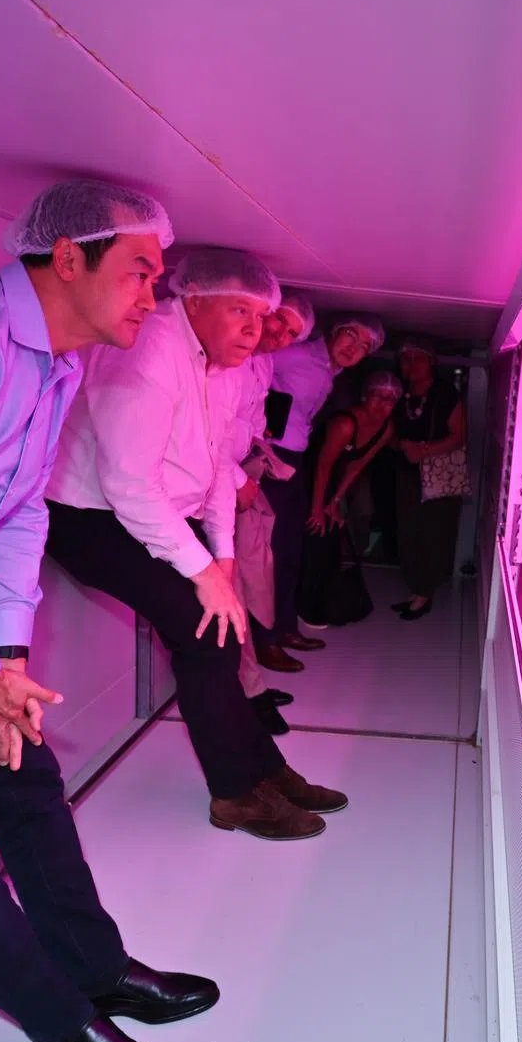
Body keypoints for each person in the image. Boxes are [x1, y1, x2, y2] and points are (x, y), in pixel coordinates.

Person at [0, 179, 217, 1042]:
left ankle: (95, 972)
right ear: (70, 259)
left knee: (25, 779)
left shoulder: (56, 362)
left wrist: (6, 663)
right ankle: (65, 1029)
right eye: (141, 273)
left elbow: (16, 516)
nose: (154, 296)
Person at [45, 247, 347, 841]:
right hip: (89, 516)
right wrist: (202, 572)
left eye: (261, 317)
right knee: (205, 634)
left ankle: (265, 770)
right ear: (195, 298)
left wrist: (223, 559)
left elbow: (215, 472)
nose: (255, 330)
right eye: (241, 311)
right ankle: (236, 793)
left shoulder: (223, 367)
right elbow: (129, 484)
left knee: (220, 631)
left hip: (149, 515)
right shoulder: (151, 346)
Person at [255, 311, 384, 670]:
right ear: (333, 330)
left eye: (364, 347)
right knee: (271, 553)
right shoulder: (297, 355)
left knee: (291, 551)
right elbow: (253, 363)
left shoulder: (330, 372)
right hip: (272, 457)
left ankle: (284, 628)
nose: (353, 348)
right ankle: (263, 641)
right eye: (350, 336)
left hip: (293, 460)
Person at [229, 289, 315, 733]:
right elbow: (206, 433)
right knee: (231, 591)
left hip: (242, 482)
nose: (280, 334)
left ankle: (250, 686)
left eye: (291, 333)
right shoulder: (226, 357)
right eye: (277, 321)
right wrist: (238, 480)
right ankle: (244, 692)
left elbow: (249, 425)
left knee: (247, 582)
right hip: (218, 491)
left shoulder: (260, 364)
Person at [299, 371, 402, 626]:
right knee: (312, 537)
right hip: (306, 476)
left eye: (390, 399)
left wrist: (334, 503)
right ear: (365, 396)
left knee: (331, 539)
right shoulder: (345, 424)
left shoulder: (386, 428)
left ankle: (320, 600)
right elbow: (322, 466)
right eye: (377, 396)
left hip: (332, 480)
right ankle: (301, 607)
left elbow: (356, 466)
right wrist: (316, 508)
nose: (382, 404)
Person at [392, 337, 468, 620]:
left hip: (438, 476)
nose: (410, 364)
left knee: (435, 532)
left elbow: (459, 437)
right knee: (408, 531)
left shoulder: (446, 394)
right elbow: (391, 434)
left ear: (431, 362)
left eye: (417, 358)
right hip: (408, 473)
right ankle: (417, 589)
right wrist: (403, 447)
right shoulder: (399, 394)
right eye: (405, 359)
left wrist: (422, 450)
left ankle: (425, 592)